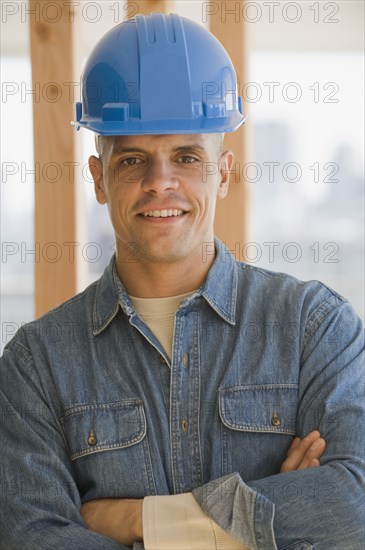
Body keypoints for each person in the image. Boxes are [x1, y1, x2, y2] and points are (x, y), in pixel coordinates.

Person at [1, 13, 363, 550]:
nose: (159, 183)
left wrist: (132, 523)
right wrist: (268, 523)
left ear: (224, 172)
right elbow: (32, 538)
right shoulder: (36, 364)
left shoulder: (314, 328)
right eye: (132, 160)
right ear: (99, 180)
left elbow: (352, 508)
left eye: (187, 157)